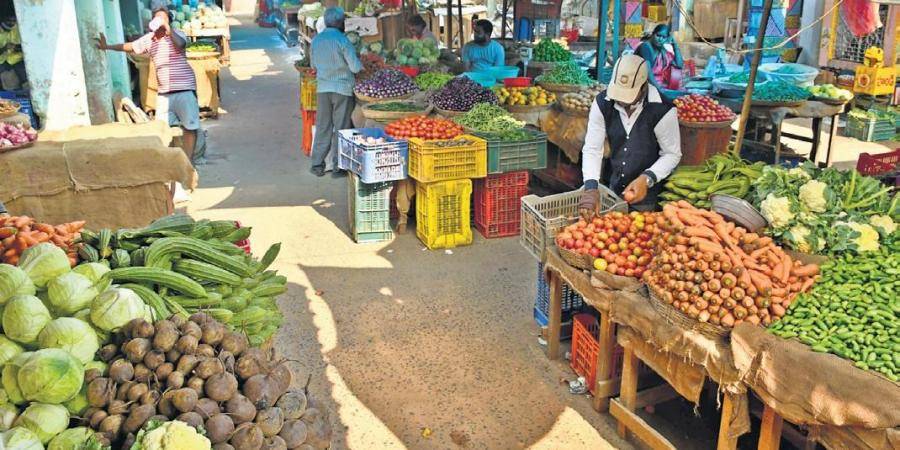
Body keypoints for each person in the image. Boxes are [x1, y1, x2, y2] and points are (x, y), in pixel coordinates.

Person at [97, 0, 200, 163]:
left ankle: (188, 162)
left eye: (163, 17)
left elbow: (180, 45)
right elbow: (129, 46)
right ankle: (169, 162)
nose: (159, 20)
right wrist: (107, 46)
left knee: (190, 127)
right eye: (157, 17)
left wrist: (168, 30)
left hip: (185, 91)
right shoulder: (149, 39)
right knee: (160, 130)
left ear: (168, 19)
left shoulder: (177, 34)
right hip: (164, 95)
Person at [578, 54, 681, 217]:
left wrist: (647, 178)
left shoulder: (662, 109)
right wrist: (591, 187)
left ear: (643, 86)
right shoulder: (603, 103)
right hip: (614, 188)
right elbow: (593, 148)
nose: (621, 101)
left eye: (627, 96)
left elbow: (671, 154)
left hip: (647, 199)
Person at [309, 7, 363, 178]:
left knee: (323, 126)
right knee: (341, 128)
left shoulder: (316, 40)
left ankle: (317, 164)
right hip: (343, 90)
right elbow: (355, 67)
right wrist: (361, 66)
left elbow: (313, 66)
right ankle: (337, 168)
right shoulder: (343, 41)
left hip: (323, 88)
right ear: (341, 23)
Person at [634, 24, 684, 91]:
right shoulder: (645, 47)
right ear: (653, 34)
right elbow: (648, 73)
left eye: (664, 37)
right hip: (642, 86)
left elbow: (679, 65)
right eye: (658, 35)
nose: (660, 39)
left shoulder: (662, 50)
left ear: (667, 38)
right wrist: (660, 90)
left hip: (657, 86)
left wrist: (675, 45)